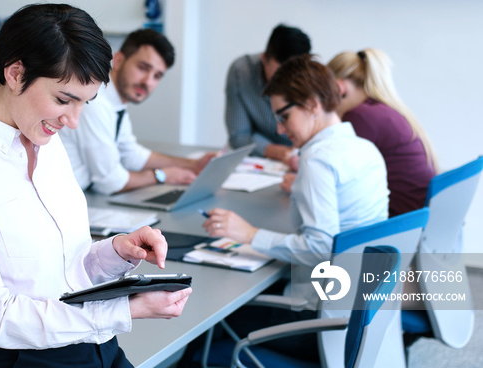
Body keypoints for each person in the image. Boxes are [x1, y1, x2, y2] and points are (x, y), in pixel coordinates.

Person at [0, 5, 192, 368]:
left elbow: (64, 270)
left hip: (95, 344)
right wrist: (123, 310)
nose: (72, 121)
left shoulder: (45, 141)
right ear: (15, 73)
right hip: (22, 358)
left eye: (84, 104)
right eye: (63, 100)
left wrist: (116, 252)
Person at [180, 55, 389, 366]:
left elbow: (320, 247)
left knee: (209, 319)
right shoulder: (365, 149)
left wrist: (250, 234)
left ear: (313, 104)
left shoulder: (318, 160)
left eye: (284, 116)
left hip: (320, 319)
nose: (279, 129)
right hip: (360, 311)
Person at [60, 28, 216, 195]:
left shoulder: (115, 103)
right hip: (64, 199)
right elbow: (110, 182)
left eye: (157, 76)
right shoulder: (95, 102)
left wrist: (192, 164)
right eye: (142, 68)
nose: (147, 82)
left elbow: (132, 154)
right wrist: (162, 176)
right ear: (118, 60)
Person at [328, 48, 438, 217]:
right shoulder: (382, 110)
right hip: (414, 220)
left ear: (339, 88)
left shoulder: (360, 116)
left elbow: (339, 184)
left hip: (395, 223)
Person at [224, 24, 311, 162]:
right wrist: (282, 153)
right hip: (260, 162)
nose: (286, 81)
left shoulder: (314, 80)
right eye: (279, 73)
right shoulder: (241, 73)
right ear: (264, 59)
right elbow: (239, 137)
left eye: (293, 75)